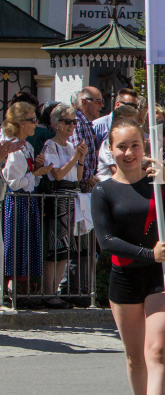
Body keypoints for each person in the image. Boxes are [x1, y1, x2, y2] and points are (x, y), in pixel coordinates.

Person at [92, 118, 165, 395]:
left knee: (157, 350)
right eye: (122, 146)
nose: (129, 152)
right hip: (125, 277)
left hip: (161, 277)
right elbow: (106, 241)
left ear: (144, 147)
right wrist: (148, 253)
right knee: (136, 359)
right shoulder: (103, 191)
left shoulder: (156, 185)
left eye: (135, 145)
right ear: (111, 149)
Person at [41, 103, 87, 308]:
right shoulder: (51, 145)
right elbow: (56, 173)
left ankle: (56, 290)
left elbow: (77, 177)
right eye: (67, 122)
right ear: (57, 123)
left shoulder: (70, 147)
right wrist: (76, 157)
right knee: (55, 246)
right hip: (57, 195)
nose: (71, 126)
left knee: (64, 248)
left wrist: (81, 159)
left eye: (74, 122)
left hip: (69, 196)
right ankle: (48, 292)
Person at [2, 102, 47, 307]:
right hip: (15, 202)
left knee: (25, 246)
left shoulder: (26, 146)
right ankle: (10, 291)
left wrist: (35, 170)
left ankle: (23, 291)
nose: (35, 124)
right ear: (21, 123)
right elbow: (14, 182)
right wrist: (35, 174)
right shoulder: (12, 147)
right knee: (14, 245)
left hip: (26, 202)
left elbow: (28, 180)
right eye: (32, 120)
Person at [68, 87, 103, 189]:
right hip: (80, 185)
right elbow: (78, 154)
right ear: (84, 102)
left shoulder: (86, 123)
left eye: (102, 101)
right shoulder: (77, 122)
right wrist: (90, 179)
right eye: (98, 102)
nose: (101, 105)